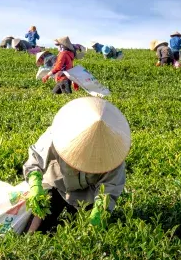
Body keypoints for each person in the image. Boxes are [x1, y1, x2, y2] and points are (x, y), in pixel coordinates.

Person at [23, 97, 131, 233]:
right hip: (57, 185)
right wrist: (35, 186)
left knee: (82, 231)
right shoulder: (56, 135)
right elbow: (35, 160)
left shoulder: (113, 155)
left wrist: (98, 212)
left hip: (88, 195)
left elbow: (109, 188)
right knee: (36, 228)